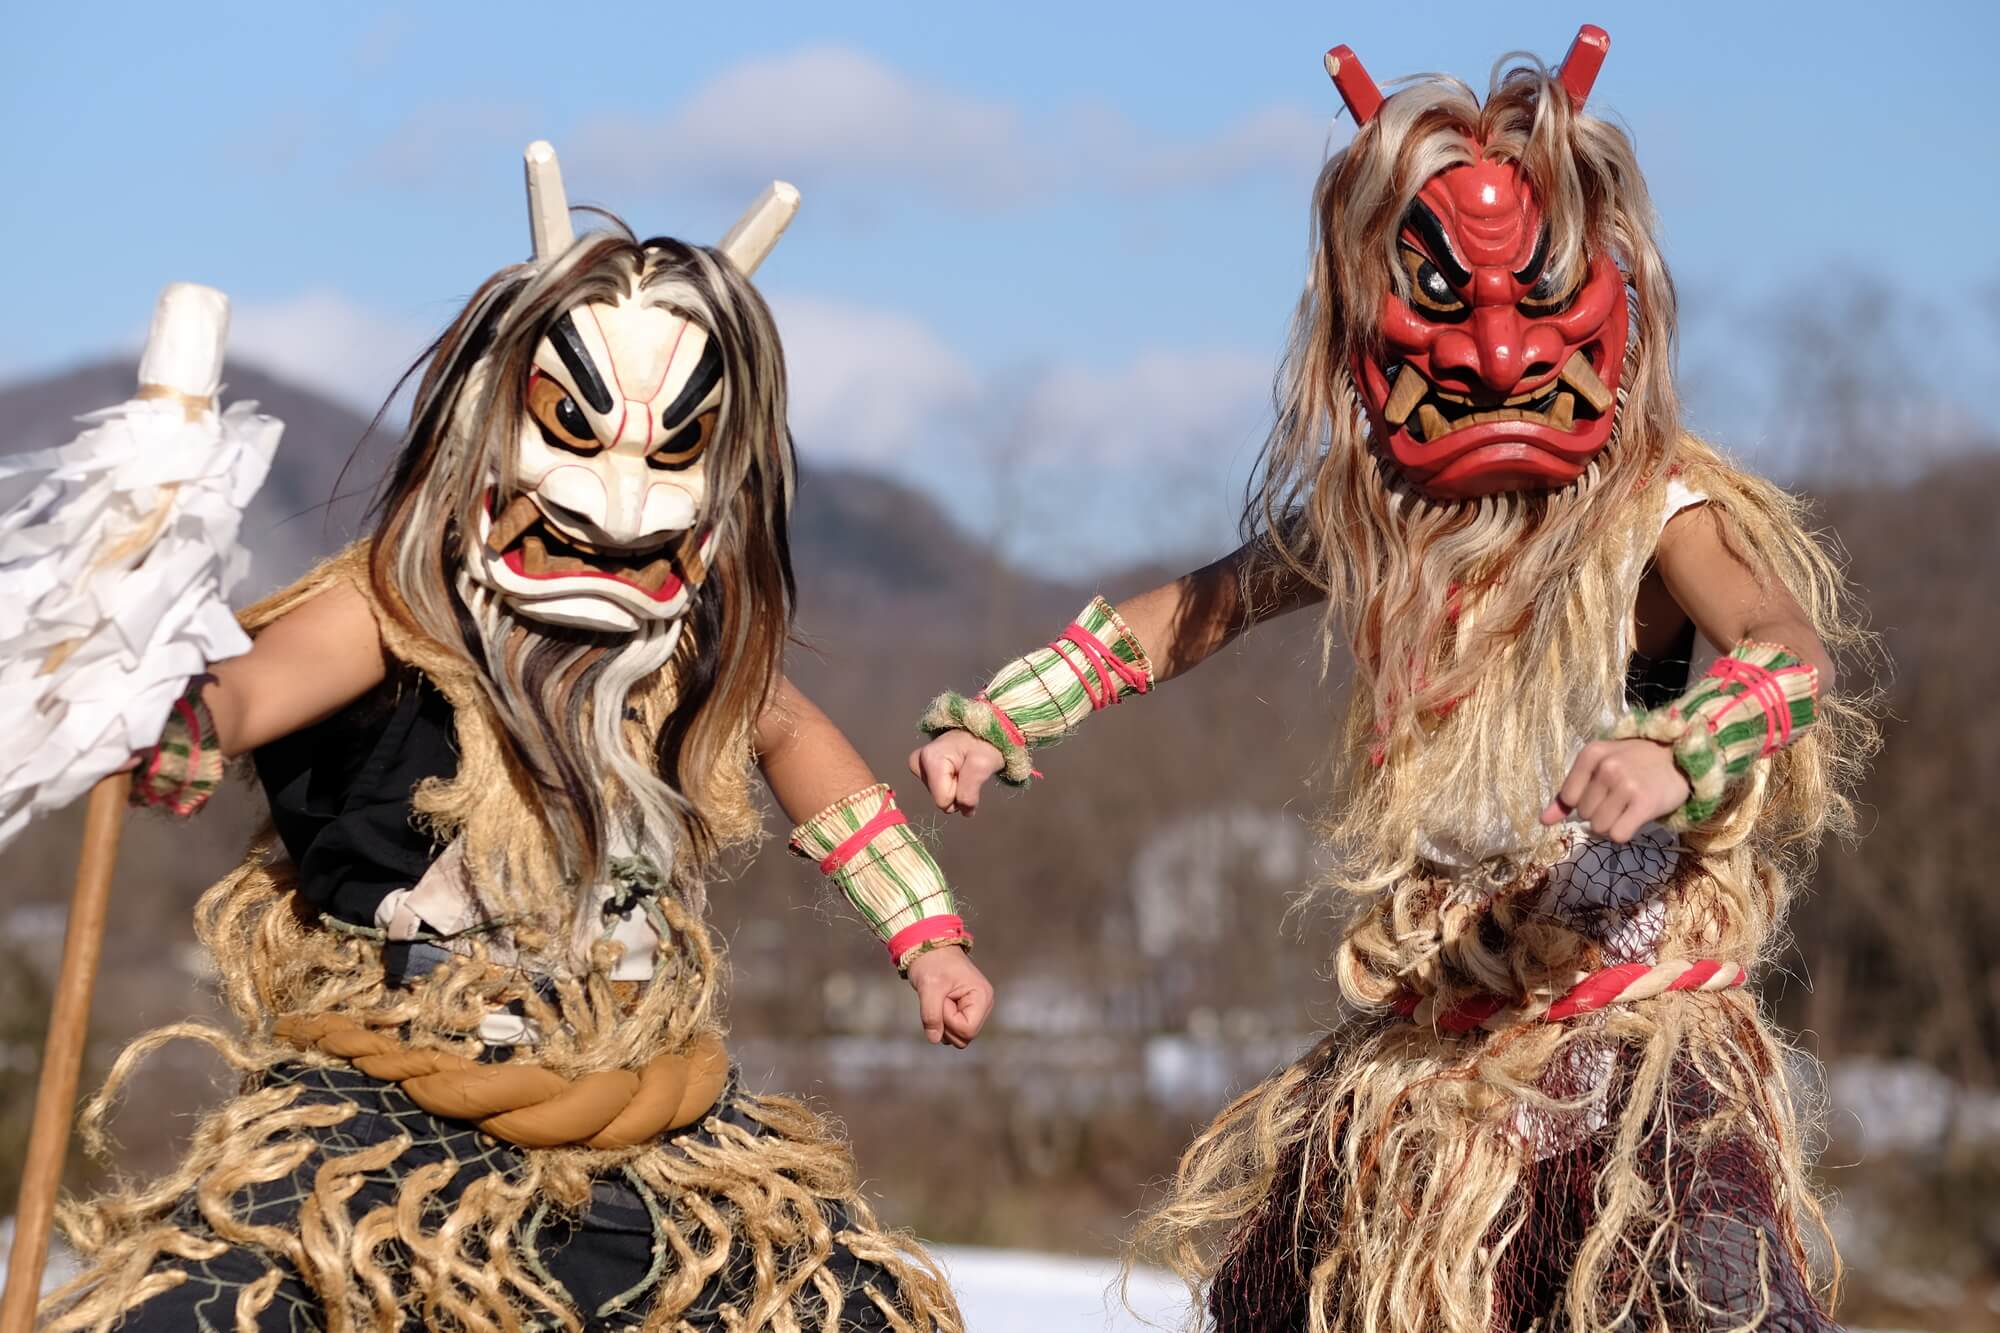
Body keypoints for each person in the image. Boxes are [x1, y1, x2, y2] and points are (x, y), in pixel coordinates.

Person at [911, 28, 1871, 1333]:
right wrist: (1011, 711)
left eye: (1529, 302)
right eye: (1450, 308)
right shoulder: (1384, 521)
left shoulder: (1658, 508)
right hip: (1434, 1058)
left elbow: (1789, 651)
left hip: (1631, 1050)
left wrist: (1678, 749)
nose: (1487, 349)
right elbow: (1196, 609)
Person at [45, 144, 985, 1332]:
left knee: (849, 1307)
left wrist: (925, 935)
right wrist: (174, 716)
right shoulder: (398, 604)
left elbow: (797, 741)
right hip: (389, 1119)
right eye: (572, 431)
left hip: (658, 1111)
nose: (619, 496)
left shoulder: (690, 648)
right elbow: (256, 683)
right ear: (497, 423)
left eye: (671, 449)